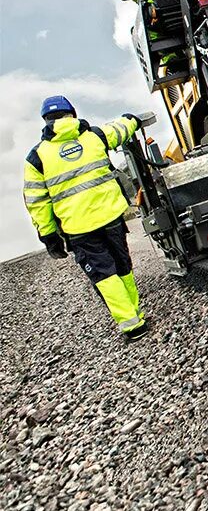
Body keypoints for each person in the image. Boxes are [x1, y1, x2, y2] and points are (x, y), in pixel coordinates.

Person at [23, 96, 148, 340]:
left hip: (78, 228)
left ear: (46, 121)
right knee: (122, 265)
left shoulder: (37, 157)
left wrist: (49, 235)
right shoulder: (95, 136)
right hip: (111, 216)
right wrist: (131, 119)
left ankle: (132, 325)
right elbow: (121, 128)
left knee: (104, 274)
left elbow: (38, 202)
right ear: (72, 113)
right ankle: (135, 313)